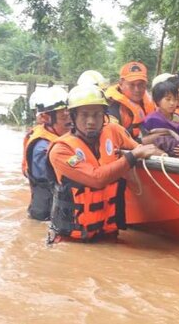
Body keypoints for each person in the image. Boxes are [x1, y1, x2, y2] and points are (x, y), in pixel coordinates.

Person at [47, 84, 159, 243]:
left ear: (104, 116)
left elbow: (141, 148)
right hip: (72, 240)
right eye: (84, 115)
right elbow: (96, 179)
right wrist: (131, 157)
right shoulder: (61, 150)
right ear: (73, 117)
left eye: (97, 115)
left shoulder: (114, 131)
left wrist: (163, 154)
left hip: (108, 235)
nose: (91, 121)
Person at [22, 86, 72, 220]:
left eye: (70, 114)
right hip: (46, 216)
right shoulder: (42, 147)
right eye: (63, 116)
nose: (70, 121)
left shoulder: (60, 138)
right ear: (45, 117)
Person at [141, 80, 179, 159]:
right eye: (168, 99)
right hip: (159, 160)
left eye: (175, 99)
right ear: (157, 101)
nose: (172, 103)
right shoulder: (153, 120)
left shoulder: (178, 119)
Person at [105, 61, 156, 141]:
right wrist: (144, 142)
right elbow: (114, 141)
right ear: (121, 84)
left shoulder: (148, 102)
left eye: (141, 84)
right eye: (132, 84)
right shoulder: (112, 107)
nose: (137, 89)